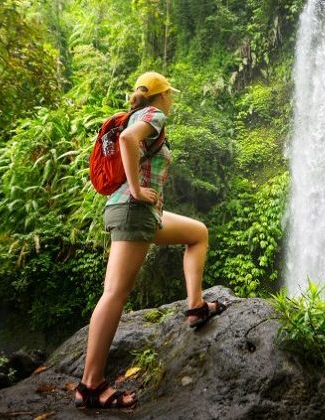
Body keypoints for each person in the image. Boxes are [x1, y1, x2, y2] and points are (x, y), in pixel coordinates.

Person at [74, 72, 226, 409]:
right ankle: (90, 385)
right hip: (133, 210)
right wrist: (141, 190)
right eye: (170, 93)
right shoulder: (153, 116)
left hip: (137, 212)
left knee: (197, 233)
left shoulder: (137, 115)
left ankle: (195, 307)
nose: (172, 99)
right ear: (161, 95)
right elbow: (128, 140)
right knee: (114, 294)